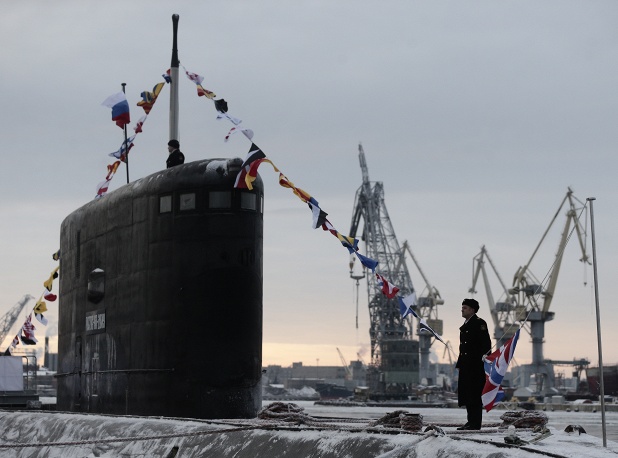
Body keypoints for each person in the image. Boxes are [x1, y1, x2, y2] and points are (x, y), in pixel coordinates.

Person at [455, 298, 491, 430]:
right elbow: (463, 348)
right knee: (467, 394)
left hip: (475, 366)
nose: (462, 309)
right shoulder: (466, 324)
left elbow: (486, 343)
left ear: (472, 309)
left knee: (475, 394)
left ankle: (475, 423)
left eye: (464, 307)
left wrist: (484, 358)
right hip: (466, 365)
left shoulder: (479, 323)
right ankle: (470, 421)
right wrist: (460, 364)